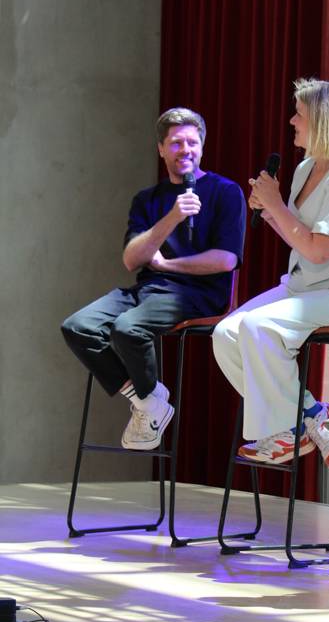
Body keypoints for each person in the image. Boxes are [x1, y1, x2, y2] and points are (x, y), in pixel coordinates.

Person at [211, 78, 329, 466]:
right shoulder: (306, 168)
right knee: (226, 334)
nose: (291, 121)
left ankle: (288, 430)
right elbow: (300, 236)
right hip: (306, 286)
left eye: (299, 114)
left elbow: (320, 251)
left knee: (258, 327)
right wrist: (271, 211)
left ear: (323, 121)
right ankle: (310, 416)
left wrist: (276, 205)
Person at [61, 107, 246, 450]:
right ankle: (148, 400)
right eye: (176, 143)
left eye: (192, 142)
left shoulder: (226, 191)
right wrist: (173, 217)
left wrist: (167, 265)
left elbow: (225, 260)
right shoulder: (148, 200)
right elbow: (132, 259)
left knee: (128, 328)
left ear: (202, 146)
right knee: (78, 326)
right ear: (161, 149)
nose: (185, 149)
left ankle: (148, 402)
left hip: (198, 294)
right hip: (148, 289)